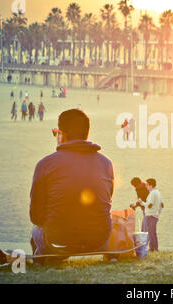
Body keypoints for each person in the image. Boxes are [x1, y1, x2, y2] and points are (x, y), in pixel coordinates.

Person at [29, 109, 114, 258]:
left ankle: (45, 259)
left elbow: (36, 217)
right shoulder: (106, 163)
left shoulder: (45, 164)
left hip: (58, 240)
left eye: (56, 133)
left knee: (35, 232)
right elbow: (106, 202)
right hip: (99, 241)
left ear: (62, 134)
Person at [137, 178, 162, 252]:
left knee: (150, 233)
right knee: (153, 233)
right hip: (155, 215)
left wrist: (141, 202)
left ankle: (152, 249)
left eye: (147, 185)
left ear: (151, 185)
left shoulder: (152, 193)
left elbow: (149, 205)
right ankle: (155, 249)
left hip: (150, 215)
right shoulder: (157, 192)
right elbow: (160, 204)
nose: (146, 187)